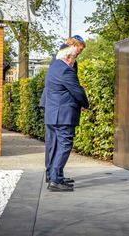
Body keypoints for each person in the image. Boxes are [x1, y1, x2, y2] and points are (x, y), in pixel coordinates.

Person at [39, 35, 86, 185]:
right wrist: (84, 103)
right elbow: (74, 87)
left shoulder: (58, 62)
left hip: (53, 106)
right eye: (79, 50)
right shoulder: (64, 60)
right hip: (59, 107)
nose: (78, 55)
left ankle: (54, 174)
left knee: (54, 144)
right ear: (73, 46)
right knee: (59, 143)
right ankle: (54, 176)